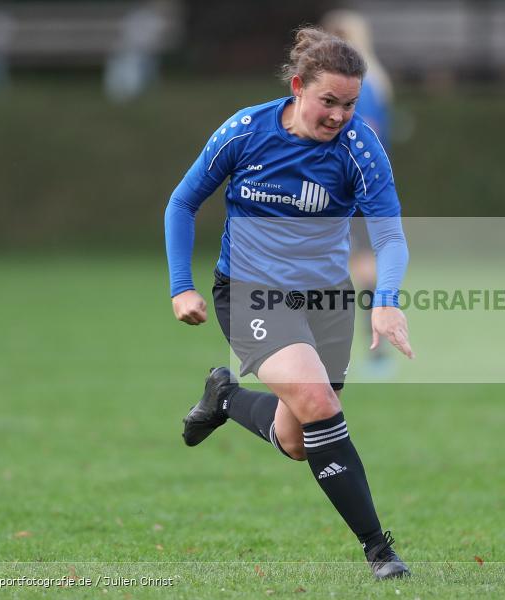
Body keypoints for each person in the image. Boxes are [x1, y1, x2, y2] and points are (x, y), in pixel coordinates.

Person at [163, 27, 413, 580]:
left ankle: (225, 398)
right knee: (321, 404)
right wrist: (182, 286)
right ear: (298, 87)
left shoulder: (360, 146)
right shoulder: (245, 132)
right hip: (250, 293)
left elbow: (390, 237)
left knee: (298, 440)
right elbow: (182, 203)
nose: (339, 116)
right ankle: (381, 552)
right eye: (329, 101)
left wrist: (387, 301)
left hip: (326, 305)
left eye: (349, 104)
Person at [322, 9, 397, 375]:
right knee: (358, 266)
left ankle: (372, 345)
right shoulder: (376, 82)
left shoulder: (355, 86)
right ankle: (373, 346)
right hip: (360, 190)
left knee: (358, 267)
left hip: (348, 190)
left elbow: (366, 137)